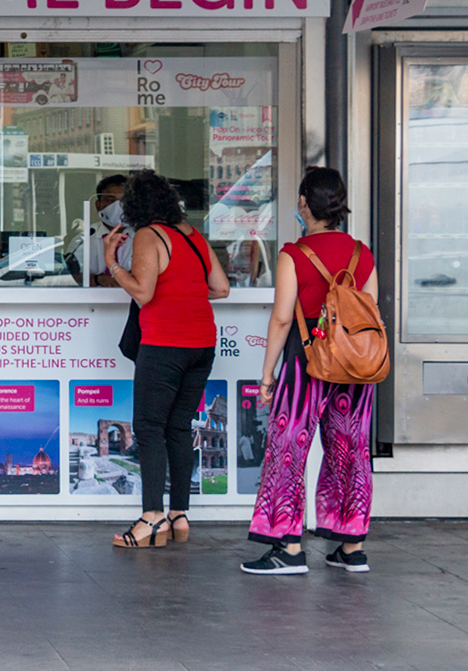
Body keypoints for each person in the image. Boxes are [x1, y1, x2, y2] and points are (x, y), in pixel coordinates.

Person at [243, 166, 377, 575]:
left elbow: (282, 319)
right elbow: (369, 312)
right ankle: (352, 548)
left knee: (289, 449)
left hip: (307, 363)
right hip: (355, 366)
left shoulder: (294, 255)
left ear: (304, 202)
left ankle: (289, 548)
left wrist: (267, 375)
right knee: (351, 448)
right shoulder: (362, 253)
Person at [103, 170, 229, 548]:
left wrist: (112, 262)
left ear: (134, 205)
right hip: (202, 343)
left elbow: (143, 292)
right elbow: (220, 288)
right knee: (178, 427)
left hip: (165, 344)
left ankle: (151, 518)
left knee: (148, 428)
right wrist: (184, 292)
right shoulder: (193, 236)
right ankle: (179, 515)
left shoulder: (149, 235)